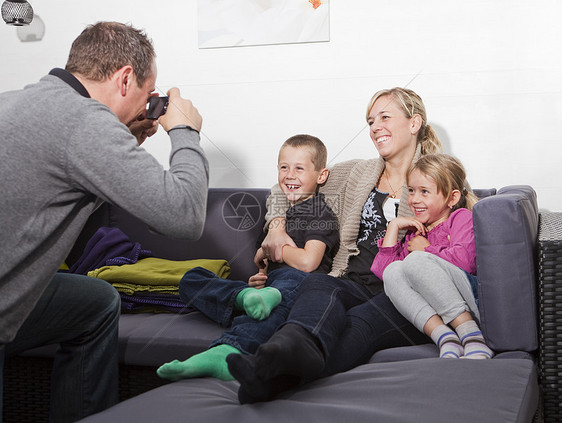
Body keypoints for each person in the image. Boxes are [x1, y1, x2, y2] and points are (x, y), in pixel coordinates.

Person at [0, 21, 209, 422]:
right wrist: (184, 131)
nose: (148, 107)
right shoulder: (83, 121)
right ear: (126, 79)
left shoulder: (22, 101)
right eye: (149, 96)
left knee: (95, 303)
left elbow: (56, 195)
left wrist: (124, 139)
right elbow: (184, 216)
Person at [226, 87, 454, 404]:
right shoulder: (358, 172)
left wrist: (426, 246)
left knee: (356, 327)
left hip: (400, 290)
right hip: (351, 280)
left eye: (385, 117)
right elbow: (288, 187)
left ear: (413, 123)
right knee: (319, 284)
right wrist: (276, 228)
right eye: (371, 120)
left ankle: (267, 381)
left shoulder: (438, 176)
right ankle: (284, 349)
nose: (375, 127)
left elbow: (458, 236)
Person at [156, 134, 339, 382]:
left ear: (321, 176)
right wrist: (259, 278)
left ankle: (226, 353)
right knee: (192, 278)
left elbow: (308, 263)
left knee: (284, 290)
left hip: (302, 285)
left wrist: (274, 249)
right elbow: (260, 258)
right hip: (272, 285)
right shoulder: (278, 214)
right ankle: (247, 298)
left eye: (299, 168)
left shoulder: (320, 211)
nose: (289, 175)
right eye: (283, 167)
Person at [371, 154, 493, 360]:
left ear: (452, 198)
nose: (414, 200)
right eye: (411, 191)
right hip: (439, 313)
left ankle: (472, 335)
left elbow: (466, 262)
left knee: (415, 260)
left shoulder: (460, 218)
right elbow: (383, 272)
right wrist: (393, 227)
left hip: (468, 301)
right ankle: (445, 338)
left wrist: (425, 250)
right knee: (394, 270)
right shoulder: (416, 231)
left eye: (424, 192)